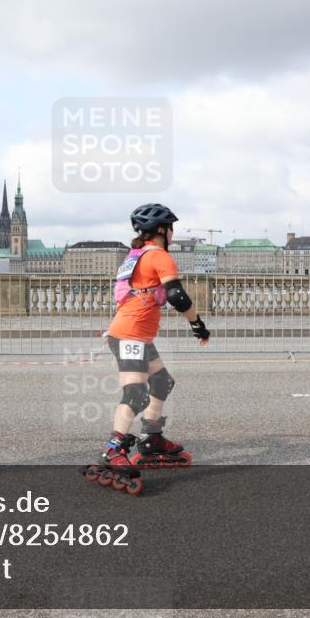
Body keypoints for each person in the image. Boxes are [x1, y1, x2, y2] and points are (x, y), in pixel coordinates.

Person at [85, 203, 211, 495]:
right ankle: (114, 449)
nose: (173, 232)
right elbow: (177, 295)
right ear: (162, 231)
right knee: (136, 393)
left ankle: (151, 438)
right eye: (171, 228)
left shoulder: (136, 255)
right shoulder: (159, 256)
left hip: (134, 334)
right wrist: (197, 325)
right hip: (130, 335)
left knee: (162, 382)